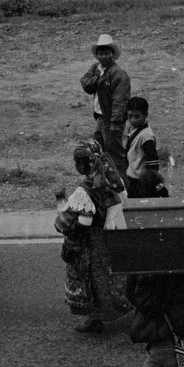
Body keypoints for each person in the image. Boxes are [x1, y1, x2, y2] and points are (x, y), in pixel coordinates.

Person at [57, 139, 131, 334]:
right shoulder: (114, 180)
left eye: (77, 162)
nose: (75, 165)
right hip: (110, 236)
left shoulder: (85, 189)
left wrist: (70, 230)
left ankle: (94, 319)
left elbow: (85, 222)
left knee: (91, 279)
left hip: (92, 242)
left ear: (84, 164)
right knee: (109, 277)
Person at [80, 34, 131, 172]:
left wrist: (115, 122)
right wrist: (97, 79)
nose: (103, 56)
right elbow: (85, 84)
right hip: (101, 117)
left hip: (111, 120)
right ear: (97, 55)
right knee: (99, 150)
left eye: (106, 53)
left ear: (112, 54)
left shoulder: (118, 74)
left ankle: (123, 183)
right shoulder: (96, 69)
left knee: (114, 153)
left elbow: (120, 100)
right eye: (100, 53)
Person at [122, 97, 167, 199]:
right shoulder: (133, 128)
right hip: (132, 178)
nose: (133, 120)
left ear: (146, 115)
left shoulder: (147, 137)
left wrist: (152, 183)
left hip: (141, 182)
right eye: (130, 116)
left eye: (137, 116)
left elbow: (153, 164)